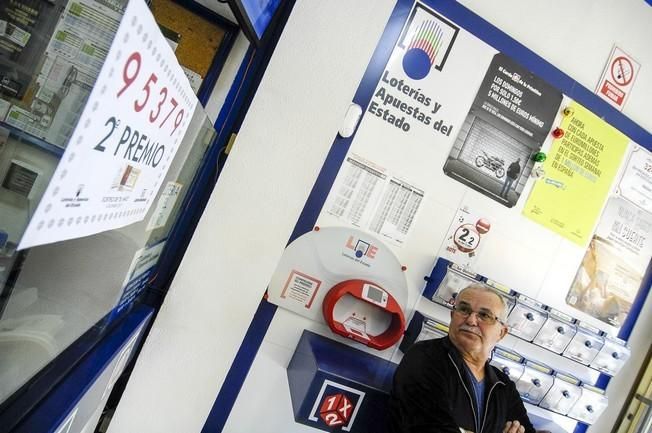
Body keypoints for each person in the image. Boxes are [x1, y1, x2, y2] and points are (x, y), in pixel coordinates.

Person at [387, 284, 535, 433]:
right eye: (464, 310)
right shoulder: (424, 357)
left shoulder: (503, 386)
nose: (471, 320)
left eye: (484, 315)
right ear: (452, 315)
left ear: (501, 333)